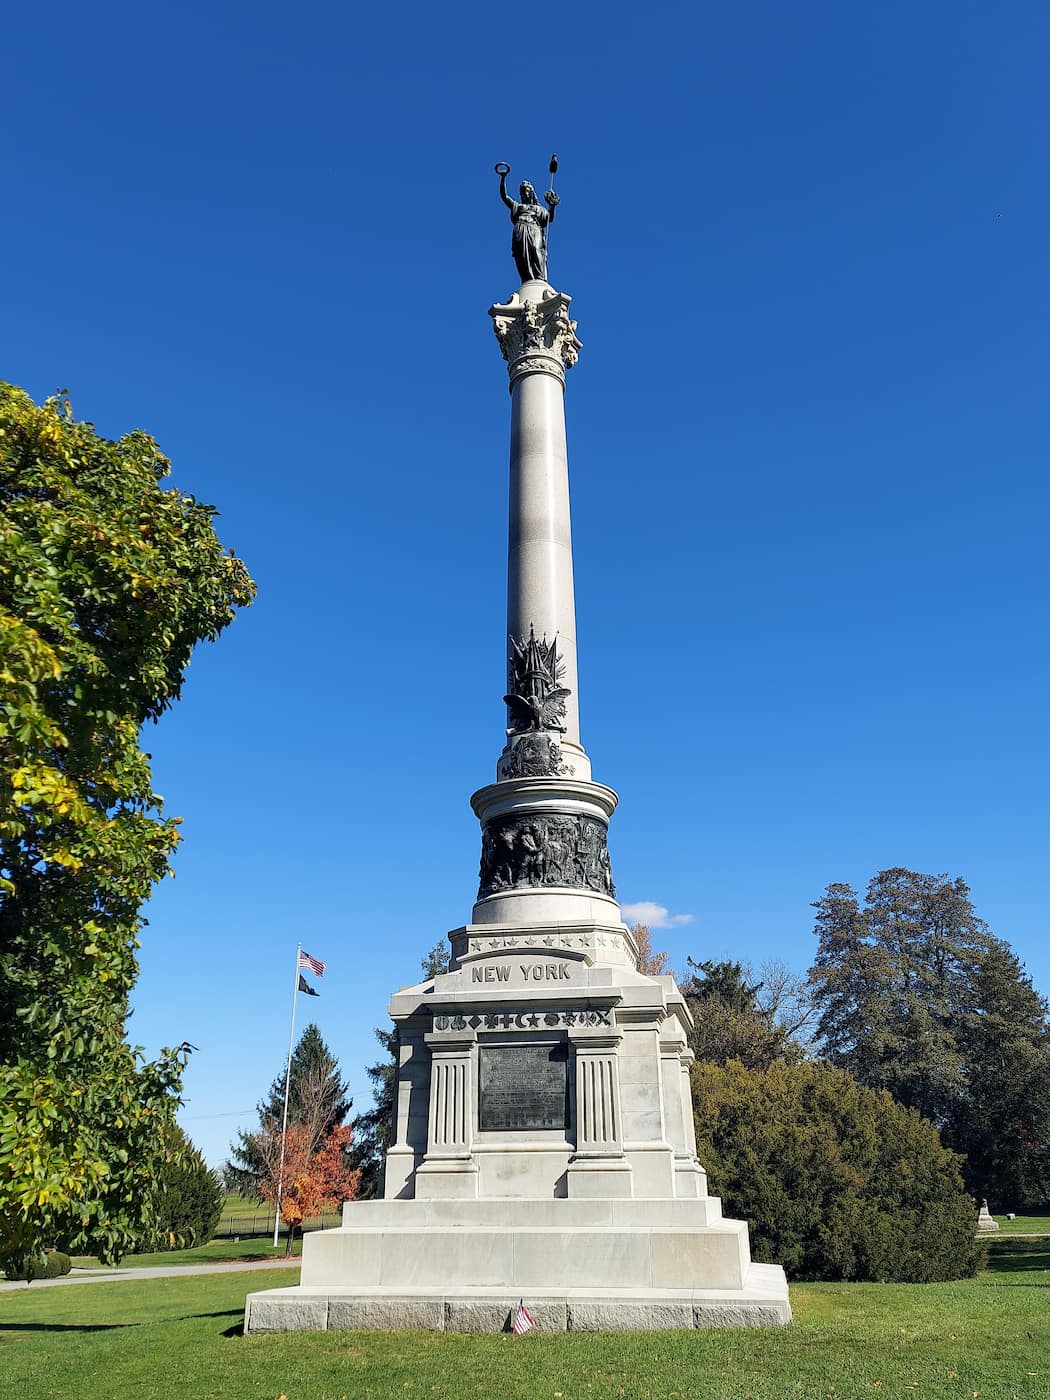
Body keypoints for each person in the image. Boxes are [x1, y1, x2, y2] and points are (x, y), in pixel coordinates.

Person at [497, 167, 559, 283]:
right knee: (523, 256)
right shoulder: (518, 206)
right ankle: (528, 279)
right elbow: (504, 196)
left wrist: (552, 206)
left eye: (526, 190)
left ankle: (539, 278)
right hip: (520, 229)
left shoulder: (539, 208)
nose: (523, 193)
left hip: (534, 228)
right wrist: (503, 178)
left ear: (531, 192)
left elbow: (549, 219)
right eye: (522, 191)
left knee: (536, 249)